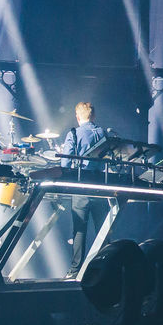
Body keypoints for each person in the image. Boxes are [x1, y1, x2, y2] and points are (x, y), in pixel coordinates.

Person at [58, 102, 109, 278]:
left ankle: (75, 271)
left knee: (80, 229)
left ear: (78, 117)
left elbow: (65, 164)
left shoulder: (74, 133)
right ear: (93, 116)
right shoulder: (103, 133)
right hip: (101, 186)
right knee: (103, 229)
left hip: (82, 185)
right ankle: (107, 268)